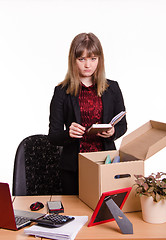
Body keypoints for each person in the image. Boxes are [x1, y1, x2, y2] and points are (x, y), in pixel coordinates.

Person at [48, 32, 127, 195]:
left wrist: (113, 132)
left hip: (105, 164)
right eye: (81, 59)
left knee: (103, 212)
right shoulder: (61, 92)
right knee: (76, 215)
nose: (87, 65)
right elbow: (53, 136)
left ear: (100, 60)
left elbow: (123, 126)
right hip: (73, 167)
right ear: (73, 60)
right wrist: (68, 133)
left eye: (93, 59)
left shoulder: (112, 88)